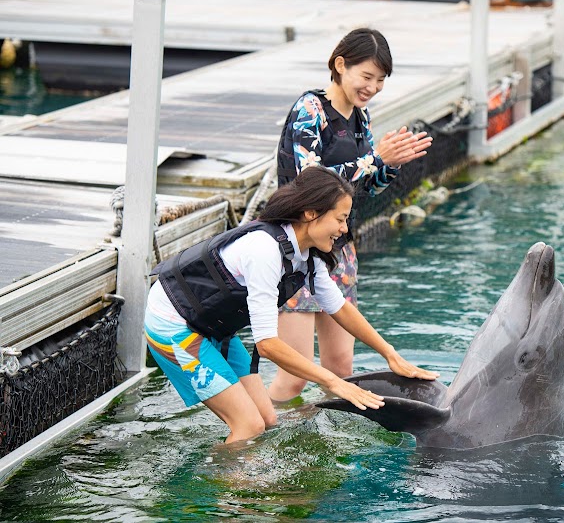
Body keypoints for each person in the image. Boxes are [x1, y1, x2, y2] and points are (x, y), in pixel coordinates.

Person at [144, 167, 439, 443]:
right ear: (311, 213)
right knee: (248, 426)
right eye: (340, 219)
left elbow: (340, 308)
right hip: (172, 323)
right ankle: (221, 484)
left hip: (211, 327)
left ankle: (245, 474)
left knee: (267, 420)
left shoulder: (307, 257)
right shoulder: (264, 251)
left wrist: (390, 354)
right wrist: (333, 381)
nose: (344, 229)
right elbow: (268, 345)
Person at [269, 27, 433, 402]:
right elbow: (308, 180)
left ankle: (320, 432)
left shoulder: (361, 117)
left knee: (342, 368)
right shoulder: (311, 110)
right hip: (297, 248)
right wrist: (375, 159)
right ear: (341, 65)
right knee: (294, 376)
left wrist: (391, 164)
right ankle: (261, 431)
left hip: (339, 247)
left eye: (381, 80)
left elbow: (366, 187)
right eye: (367, 76)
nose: (372, 87)